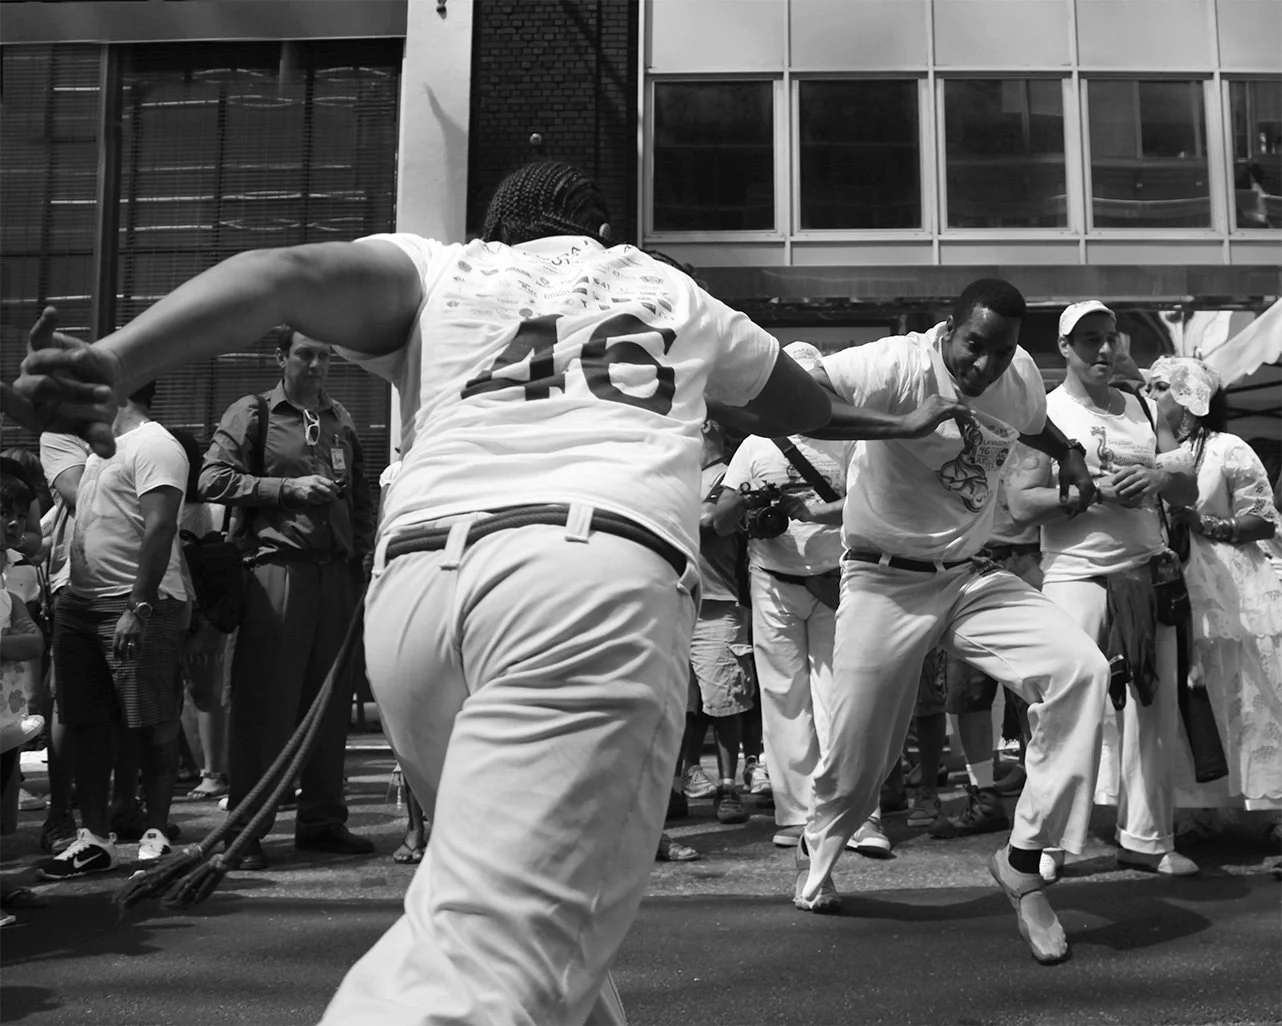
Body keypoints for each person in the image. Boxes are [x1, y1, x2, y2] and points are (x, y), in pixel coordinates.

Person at [10, 160, 828, 1024]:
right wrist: (878, 417)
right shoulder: (664, 287)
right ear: (601, 233)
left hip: (418, 591)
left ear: (495, 229)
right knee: (494, 953)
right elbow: (804, 405)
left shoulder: (443, 268)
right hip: (583, 582)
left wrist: (111, 359)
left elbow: (276, 275)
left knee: (503, 900)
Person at [794, 279, 1106, 969]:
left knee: (1081, 671)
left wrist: (1071, 454)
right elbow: (800, 399)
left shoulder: (1017, 376)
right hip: (883, 581)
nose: (985, 365)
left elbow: (1033, 423)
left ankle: (1022, 863)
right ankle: (819, 850)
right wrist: (900, 425)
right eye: (974, 346)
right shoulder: (896, 364)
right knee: (861, 757)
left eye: (1003, 351)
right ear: (948, 330)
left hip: (969, 576)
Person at [1007, 301, 1200, 881]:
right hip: (1075, 575)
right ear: (1065, 347)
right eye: (1089, 339)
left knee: (1153, 711)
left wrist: (1160, 476)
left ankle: (1146, 838)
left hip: (1146, 574)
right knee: (1067, 712)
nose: (1105, 349)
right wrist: (1092, 494)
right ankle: (1045, 843)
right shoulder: (1045, 412)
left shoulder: (1144, 405)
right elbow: (1021, 503)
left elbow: (1187, 488)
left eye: (1111, 337)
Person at [199, 328, 376, 870]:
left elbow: (362, 496)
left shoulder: (340, 419)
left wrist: (364, 560)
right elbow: (211, 479)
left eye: (325, 356)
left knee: (329, 702)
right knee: (264, 703)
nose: (316, 364)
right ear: (281, 357)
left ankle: (322, 821)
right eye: (305, 354)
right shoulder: (252, 412)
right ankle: (245, 830)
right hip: (276, 569)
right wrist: (285, 490)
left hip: (336, 575)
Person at [714, 342, 892, 857]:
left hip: (839, 578)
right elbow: (722, 521)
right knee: (784, 701)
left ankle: (858, 815)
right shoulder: (755, 444)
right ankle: (795, 815)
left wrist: (812, 512)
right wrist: (745, 504)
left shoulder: (852, 439)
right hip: (773, 579)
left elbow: (877, 503)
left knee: (844, 700)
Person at [38, 382, 191, 878]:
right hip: (81, 606)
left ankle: (156, 833)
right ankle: (95, 839)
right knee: (87, 723)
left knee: (152, 721)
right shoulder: (102, 451)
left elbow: (160, 527)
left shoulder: (156, 445)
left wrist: (138, 606)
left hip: (137, 605)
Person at [1145, 358, 1282, 825]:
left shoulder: (1228, 448)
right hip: (1168, 584)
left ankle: (1268, 811)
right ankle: (1196, 811)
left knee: (1244, 693)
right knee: (1185, 693)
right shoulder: (1143, 447)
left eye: (1160, 387)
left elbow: (1262, 519)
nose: (1150, 395)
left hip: (1229, 590)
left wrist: (1205, 523)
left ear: (1189, 398)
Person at [676, 418, 754, 825]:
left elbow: (709, 520)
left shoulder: (730, 473)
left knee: (725, 702)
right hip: (674, 601)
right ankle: (677, 785)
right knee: (680, 705)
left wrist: (669, 511)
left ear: (707, 423)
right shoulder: (679, 472)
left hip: (719, 603)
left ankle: (728, 787)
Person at [36, 431, 91, 854]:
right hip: (74, 580)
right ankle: (60, 814)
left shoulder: (138, 431)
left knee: (128, 705)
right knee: (67, 701)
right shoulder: (59, 433)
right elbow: (79, 492)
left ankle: (122, 809)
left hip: (137, 575)